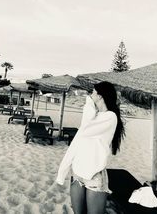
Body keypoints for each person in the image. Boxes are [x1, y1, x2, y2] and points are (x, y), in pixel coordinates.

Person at [56, 81, 125, 214]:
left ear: (100, 96)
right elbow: (76, 143)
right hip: (77, 172)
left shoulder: (110, 117)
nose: (90, 94)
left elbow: (85, 129)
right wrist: (62, 171)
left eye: (93, 92)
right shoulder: (95, 115)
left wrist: (88, 104)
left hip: (94, 174)